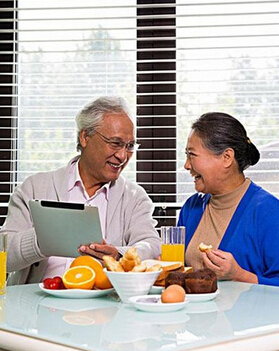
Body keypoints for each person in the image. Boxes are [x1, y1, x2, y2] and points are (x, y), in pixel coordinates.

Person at [2, 96, 161, 285]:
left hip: (105, 308)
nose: (122, 155)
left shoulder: (134, 197)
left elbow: (151, 245)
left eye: (129, 146)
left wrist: (119, 255)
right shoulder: (34, 187)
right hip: (35, 305)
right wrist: (41, 239)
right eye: (115, 143)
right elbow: (4, 256)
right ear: (85, 137)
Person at [178, 112, 279, 286]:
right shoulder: (191, 207)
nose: (186, 165)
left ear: (226, 158)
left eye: (192, 155)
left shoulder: (269, 212)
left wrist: (239, 275)